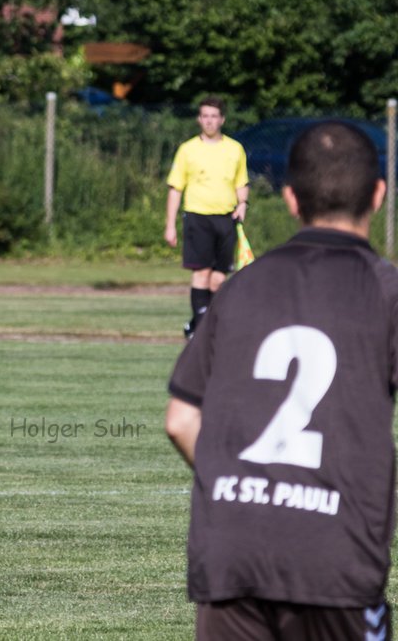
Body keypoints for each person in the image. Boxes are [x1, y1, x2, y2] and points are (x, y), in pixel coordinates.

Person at [165, 121, 396, 639]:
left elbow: (181, 420)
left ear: (291, 199)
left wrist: (244, 485)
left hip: (230, 550)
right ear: (378, 195)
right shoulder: (385, 291)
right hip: (333, 555)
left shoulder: (241, 288)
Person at [164, 97, 249, 338]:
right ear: (199, 119)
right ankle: (202, 333)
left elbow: (241, 183)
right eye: (205, 116)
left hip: (226, 219)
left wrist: (243, 204)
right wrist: (169, 225)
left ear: (222, 119)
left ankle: (196, 325)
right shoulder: (188, 150)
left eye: (214, 116)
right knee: (201, 273)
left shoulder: (235, 149)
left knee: (218, 280)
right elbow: (175, 188)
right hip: (197, 217)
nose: (209, 121)